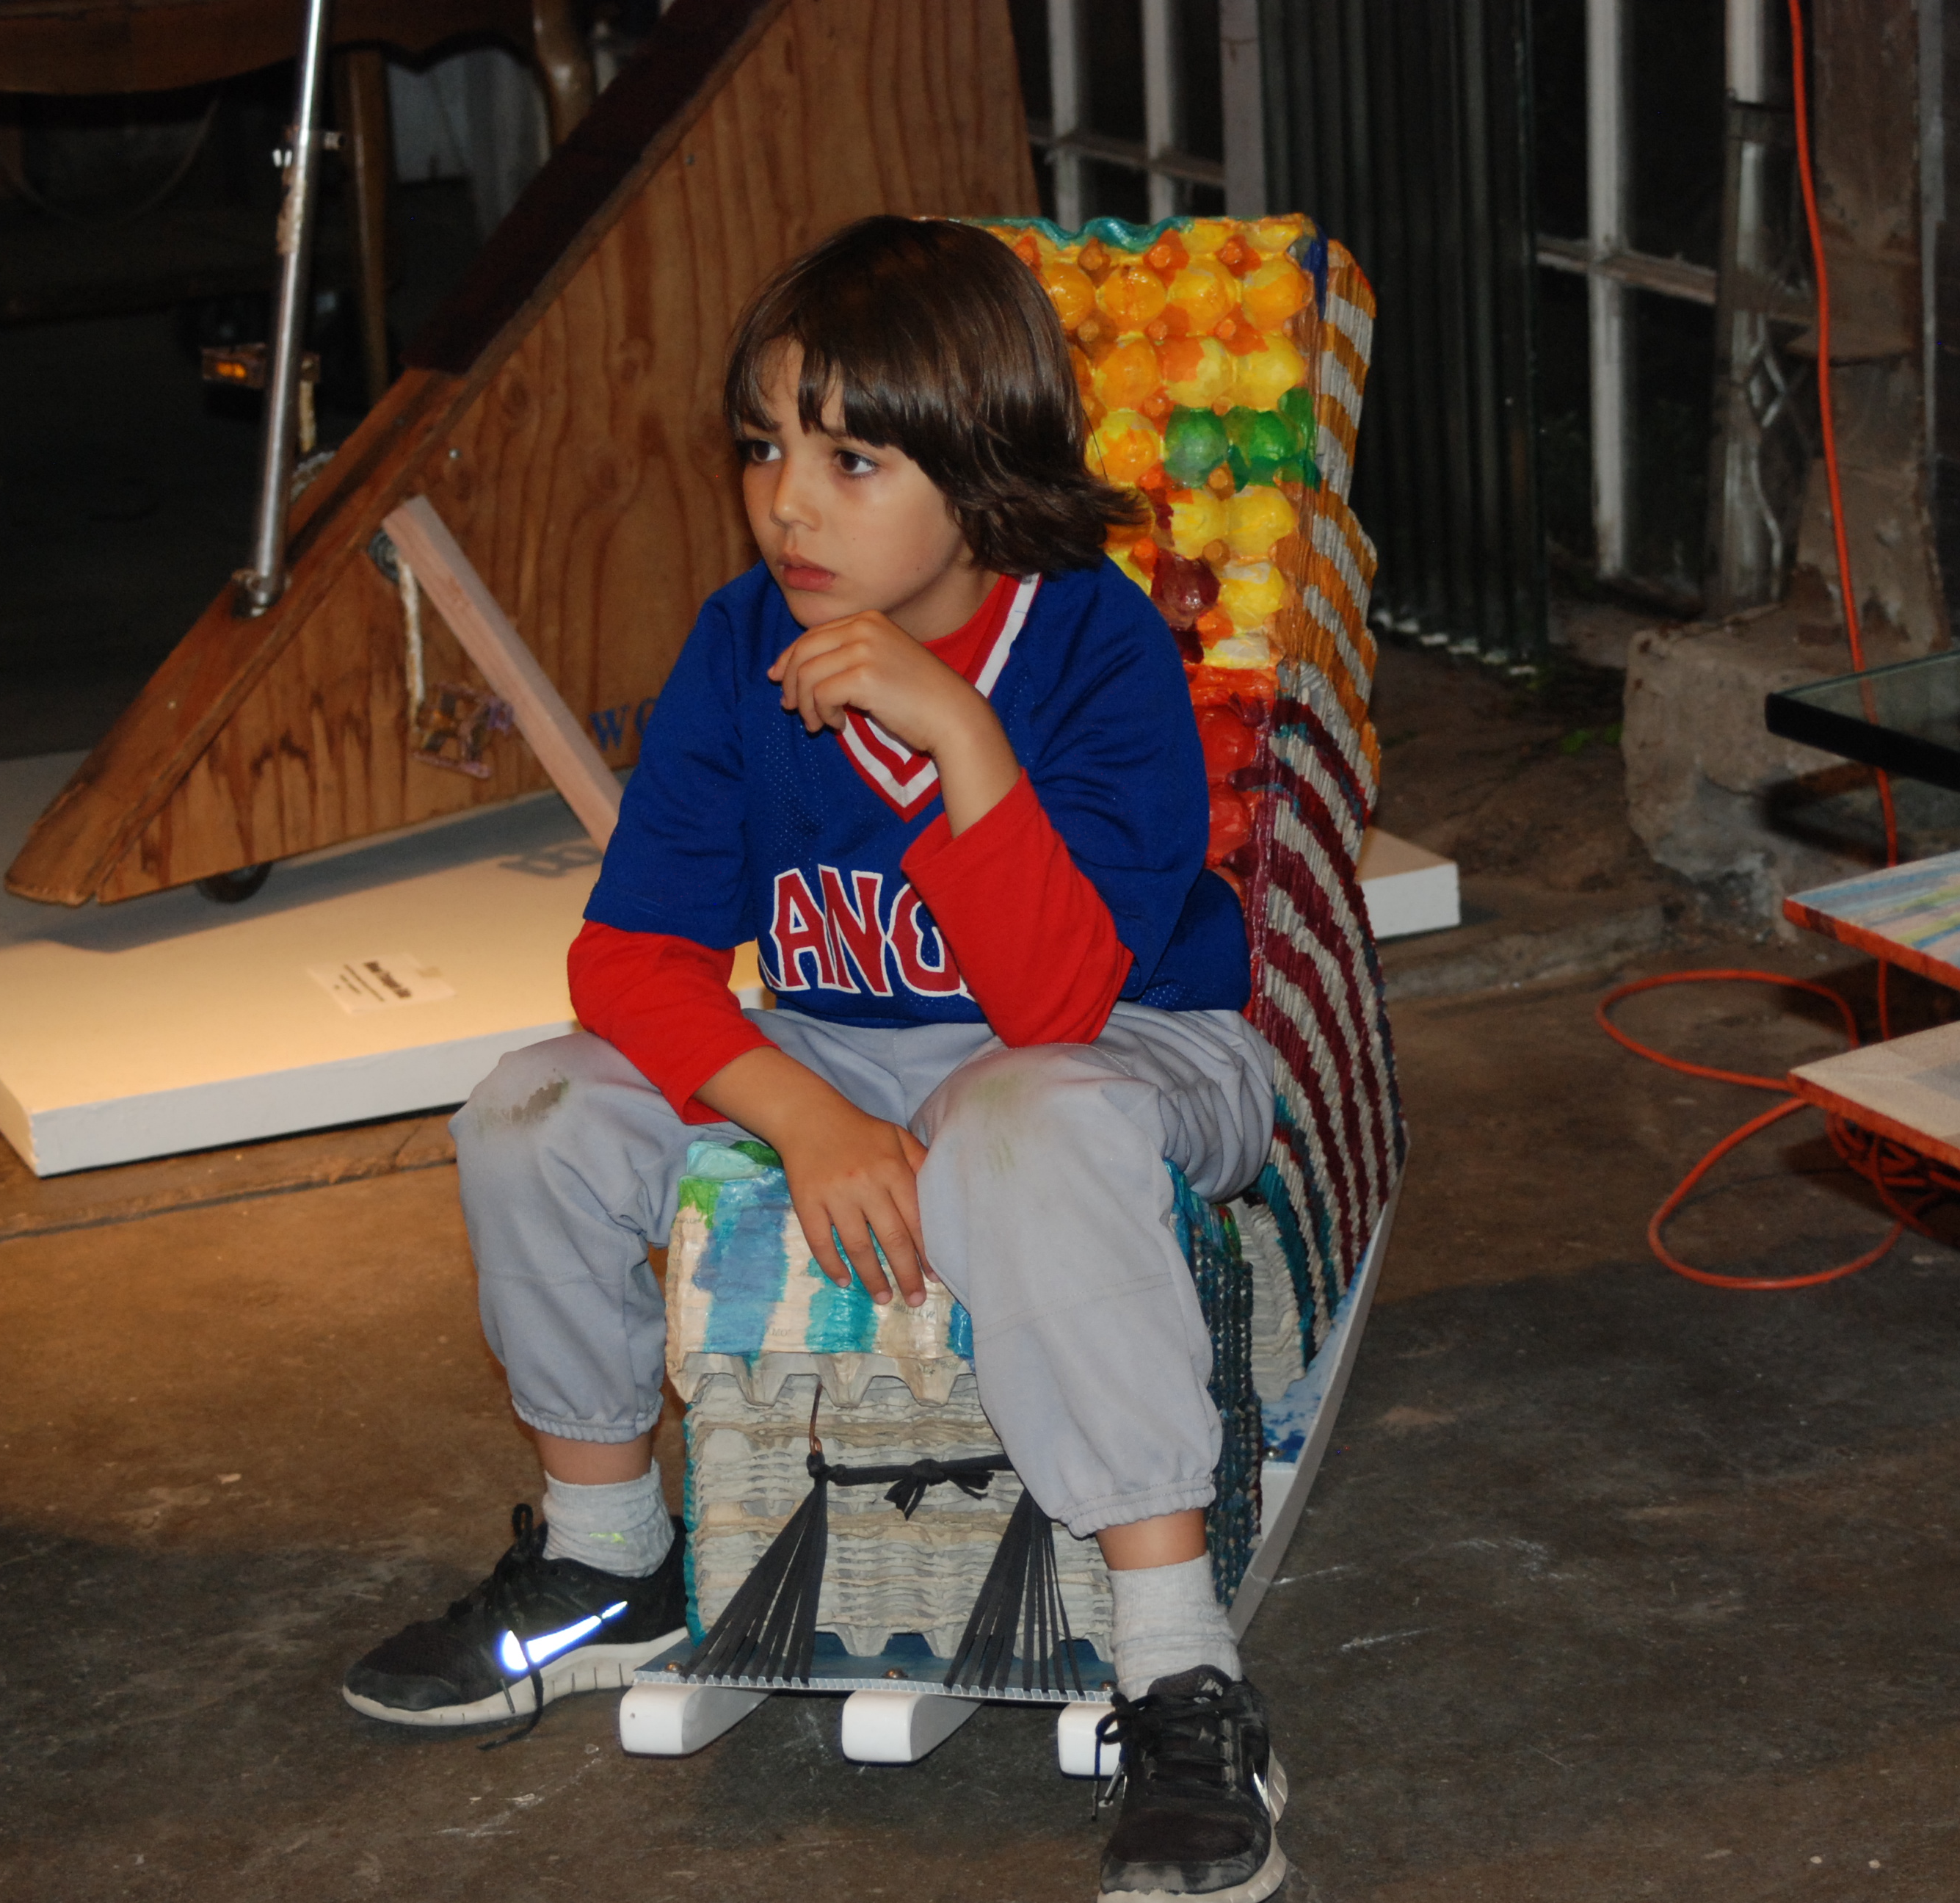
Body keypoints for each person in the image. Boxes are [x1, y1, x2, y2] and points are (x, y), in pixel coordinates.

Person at [340, 214, 1290, 1903]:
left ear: (982, 471)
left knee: (1021, 1121)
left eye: (852, 460)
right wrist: (800, 1114)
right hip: (840, 1042)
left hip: (1127, 1046)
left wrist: (962, 735)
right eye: (763, 446)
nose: (787, 502)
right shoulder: (739, 642)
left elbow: (1058, 1002)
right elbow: (632, 955)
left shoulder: (1096, 648)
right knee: (533, 1109)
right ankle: (607, 1560)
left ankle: (1173, 1661)